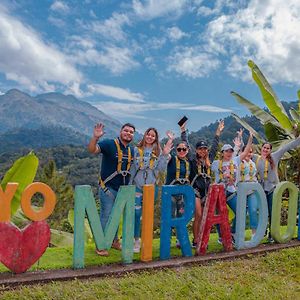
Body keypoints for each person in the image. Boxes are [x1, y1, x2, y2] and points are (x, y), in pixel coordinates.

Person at [88, 122, 135, 256]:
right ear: (121, 132)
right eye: (126, 131)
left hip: (122, 190)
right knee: (106, 215)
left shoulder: (131, 150)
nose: (128, 133)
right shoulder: (109, 144)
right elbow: (92, 150)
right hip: (108, 188)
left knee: (116, 216)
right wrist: (95, 138)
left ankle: (114, 241)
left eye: (131, 132)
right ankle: (100, 245)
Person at [180, 120, 225, 247]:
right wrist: (183, 131)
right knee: (198, 215)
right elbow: (186, 145)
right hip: (195, 190)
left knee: (206, 217)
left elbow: (215, 146)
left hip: (207, 190)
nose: (203, 151)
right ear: (197, 150)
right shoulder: (192, 160)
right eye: (200, 149)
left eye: (205, 148)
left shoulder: (209, 159)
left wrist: (218, 132)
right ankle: (195, 240)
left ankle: (202, 239)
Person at [130, 128, 173, 253]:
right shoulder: (136, 150)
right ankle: (136, 240)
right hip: (137, 186)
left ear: (155, 138)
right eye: (148, 134)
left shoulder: (158, 152)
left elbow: (161, 169)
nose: (150, 137)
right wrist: (128, 185)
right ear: (145, 135)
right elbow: (132, 168)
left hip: (151, 188)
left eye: (152, 135)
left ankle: (146, 241)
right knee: (136, 214)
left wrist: (165, 154)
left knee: (147, 215)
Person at [251, 136, 300, 242]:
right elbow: (244, 154)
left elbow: (285, 148)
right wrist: (240, 142)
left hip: (273, 189)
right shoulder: (256, 158)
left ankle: (271, 234)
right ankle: (261, 232)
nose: (265, 150)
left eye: (268, 148)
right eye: (264, 148)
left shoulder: (274, 156)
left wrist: (298, 140)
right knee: (263, 211)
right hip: (261, 189)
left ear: (270, 150)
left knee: (273, 211)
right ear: (261, 148)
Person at [211, 132, 253, 241]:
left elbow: (246, 151)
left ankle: (233, 232)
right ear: (222, 153)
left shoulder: (236, 160)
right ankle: (221, 236)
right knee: (220, 215)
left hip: (231, 191)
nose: (229, 153)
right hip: (219, 192)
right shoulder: (216, 163)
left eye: (231, 151)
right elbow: (205, 166)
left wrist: (250, 138)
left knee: (241, 211)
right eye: (226, 151)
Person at [166, 136, 192, 248]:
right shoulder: (171, 159)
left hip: (182, 194)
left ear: (187, 151)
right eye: (179, 149)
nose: (182, 151)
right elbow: (164, 156)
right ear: (176, 150)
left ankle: (180, 240)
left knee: (181, 215)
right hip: (171, 193)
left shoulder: (188, 163)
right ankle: (166, 240)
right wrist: (169, 142)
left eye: (184, 149)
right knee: (170, 215)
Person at [234, 132, 258, 236]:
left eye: (251, 152)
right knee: (241, 212)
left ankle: (254, 233)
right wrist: (243, 137)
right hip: (240, 191)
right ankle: (235, 233)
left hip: (252, 191)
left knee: (253, 210)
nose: (249, 154)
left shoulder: (253, 163)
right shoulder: (238, 162)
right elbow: (236, 151)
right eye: (247, 152)